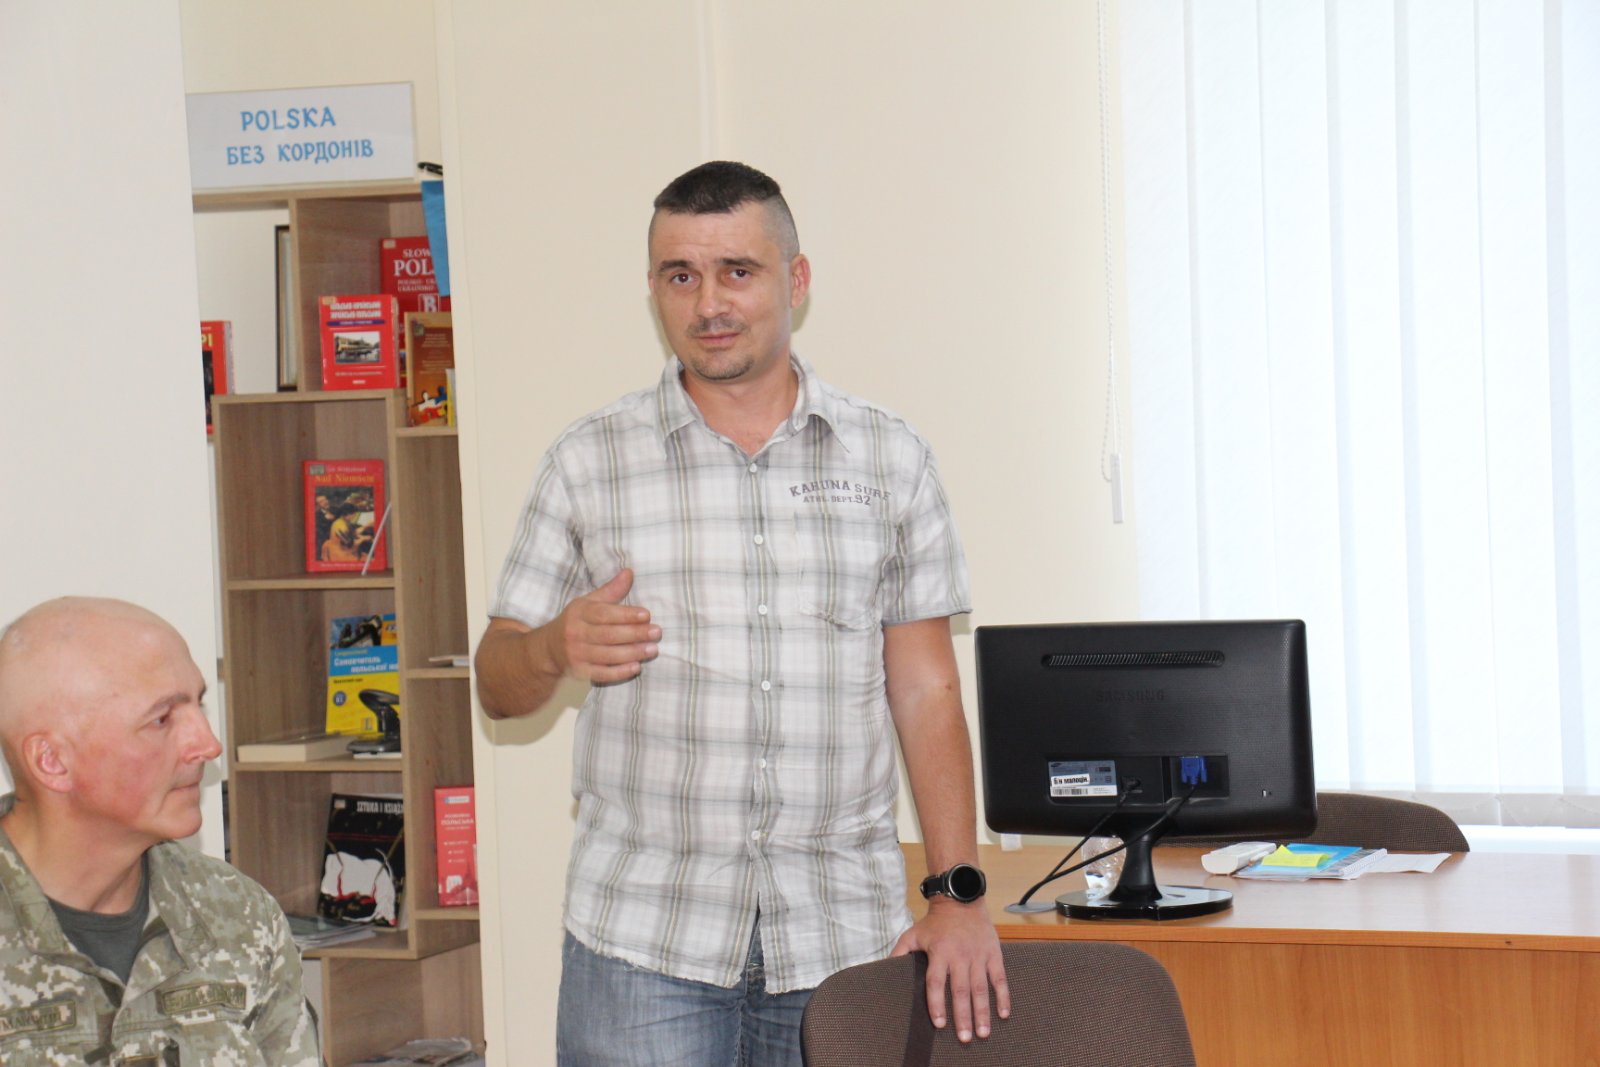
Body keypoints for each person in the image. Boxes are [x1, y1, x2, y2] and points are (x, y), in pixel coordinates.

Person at [475, 161, 1008, 1066]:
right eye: (680, 276)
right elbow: (496, 682)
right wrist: (555, 645)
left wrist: (957, 895)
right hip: (642, 942)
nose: (709, 303)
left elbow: (925, 691)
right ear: (653, 290)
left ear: (796, 280)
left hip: (841, 938)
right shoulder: (587, 462)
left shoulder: (890, 459)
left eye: (738, 271)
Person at [0, 596, 322, 1066]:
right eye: (162, 719)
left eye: (198, 703)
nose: (208, 744)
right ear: (52, 761)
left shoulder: (235, 913)